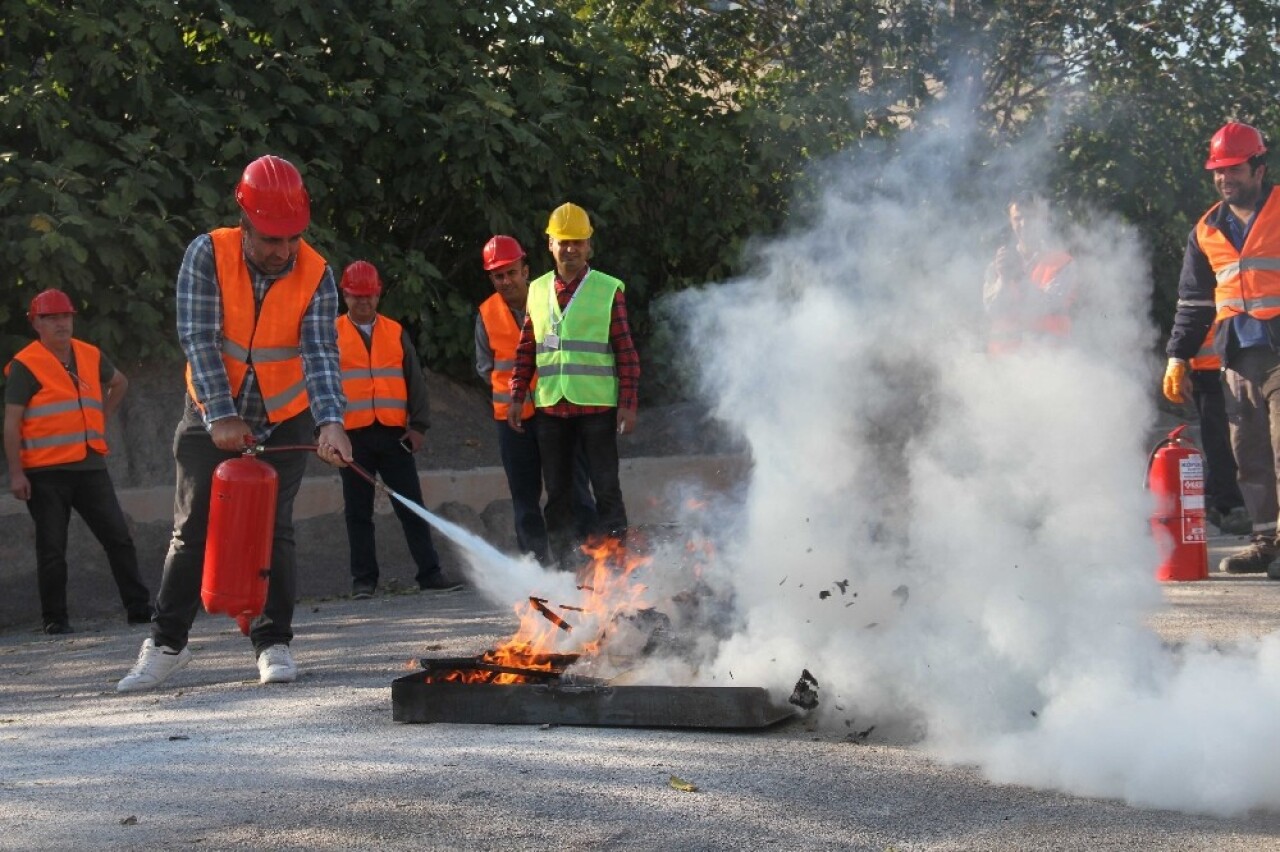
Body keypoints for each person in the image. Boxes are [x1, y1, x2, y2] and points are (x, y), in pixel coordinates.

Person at [117, 154, 353, 692]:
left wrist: (330, 424)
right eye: (270, 239)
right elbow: (199, 339)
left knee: (277, 530)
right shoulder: (207, 254)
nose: (282, 251)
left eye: (291, 238)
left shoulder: (316, 272)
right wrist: (220, 415)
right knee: (192, 528)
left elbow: (320, 353)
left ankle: (273, 643)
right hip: (209, 414)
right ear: (243, 224)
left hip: (285, 416)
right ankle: (166, 645)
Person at [1162, 121, 1280, 576]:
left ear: (1258, 167)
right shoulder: (1207, 228)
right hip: (1237, 357)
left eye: (1233, 168)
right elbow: (1192, 301)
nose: (1224, 177)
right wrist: (1178, 355)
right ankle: (1267, 541)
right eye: (1218, 170)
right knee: (1247, 452)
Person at [4, 288, 152, 635]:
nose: (60, 323)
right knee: (52, 548)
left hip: (89, 467)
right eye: (51, 317)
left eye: (65, 316)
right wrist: (16, 473)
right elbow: (11, 423)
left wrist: (100, 417)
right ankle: (55, 619)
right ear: (36, 324)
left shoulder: (89, 355)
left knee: (119, 537)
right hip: (44, 473)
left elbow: (119, 383)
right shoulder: (27, 365)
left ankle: (140, 610)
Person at [507, 204, 640, 569]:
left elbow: (625, 351)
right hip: (552, 408)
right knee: (559, 495)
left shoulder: (607, 289)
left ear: (589, 246)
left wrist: (628, 403)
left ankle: (616, 568)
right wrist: (518, 394)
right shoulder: (536, 291)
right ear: (550, 244)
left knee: (606, 489)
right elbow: (527, 349)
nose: (570, 250)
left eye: (577, 243)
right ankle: (566, 569)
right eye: (563, 242)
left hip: (597, 409)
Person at [335, 259, 457, 597]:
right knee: (357, 511)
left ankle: (430, 573)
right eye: (357, 296)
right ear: (345, 295)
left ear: (379, 294)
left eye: (370, 295)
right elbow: (322, 386)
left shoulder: (394, 331)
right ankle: (364, 580)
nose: (364, 302)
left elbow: (414, 381)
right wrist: (327, 430)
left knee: (411, 504)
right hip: (351, 436)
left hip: (394, 435)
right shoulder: (332, 334)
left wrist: (418, 426)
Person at [475, 235, 597, 564]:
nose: (505, 281)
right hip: (512, 423)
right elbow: (485, 367)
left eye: (511, 272)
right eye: (498, 275)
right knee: (524, 499)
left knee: (573, 489)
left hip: (557, 412)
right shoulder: (486, 314)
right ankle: (538, 569)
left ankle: (585, 561)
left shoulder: (552, 301)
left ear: (525, 270)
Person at [982, 193, 1077, 354]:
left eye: (1031, 217)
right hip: (1003, 365)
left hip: (1049, 363)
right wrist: (1004, 279)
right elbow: (992, 309)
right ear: (1011, 222)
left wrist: (1019, 277)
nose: (1024, 224)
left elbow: (1047, 305)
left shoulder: (1063, 263)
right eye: (1018, 218)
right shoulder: (998, 264)